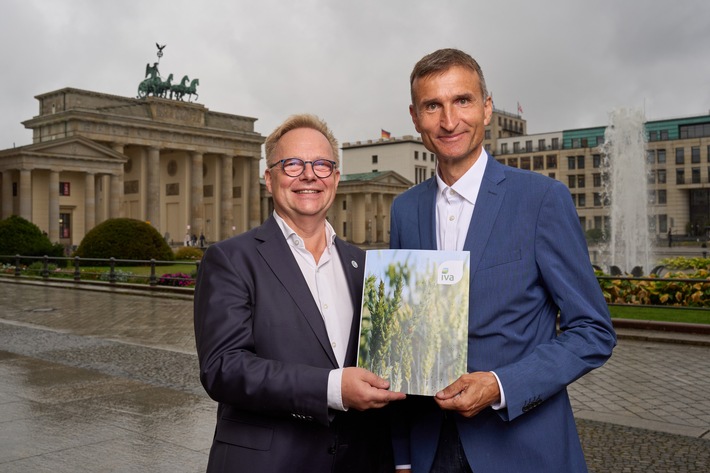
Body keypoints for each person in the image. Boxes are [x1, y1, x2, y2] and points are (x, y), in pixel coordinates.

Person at [388, 48, 617, 473]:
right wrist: (402, 458)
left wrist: (499, 386)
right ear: (415, 116)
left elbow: (593, 331)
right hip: (427, 450)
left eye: (463, 100)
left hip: (523, 449)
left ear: (487, 108)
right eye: (432, 105)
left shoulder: (542, 200)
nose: (449, 120)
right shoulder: (404, 210)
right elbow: (405, 343)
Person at [194, 113, 405, 473]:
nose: (309, 175)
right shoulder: (230, 259)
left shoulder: (366, 266)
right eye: (292, 164)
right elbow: (223, 368)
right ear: (269, 179)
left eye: (322, 165)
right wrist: (331, 388)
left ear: (335, 178)